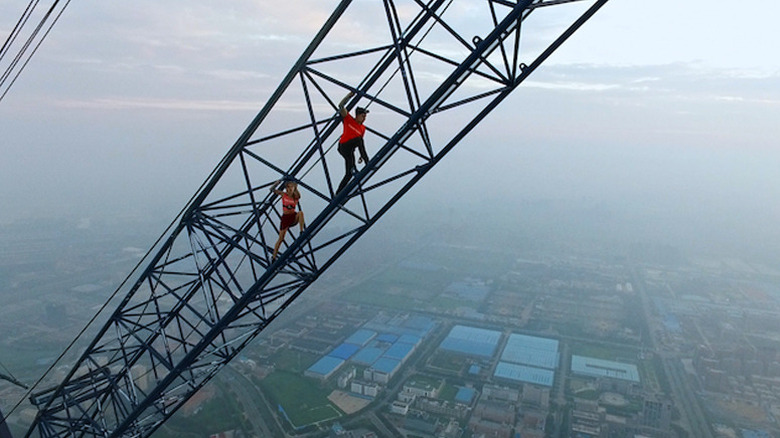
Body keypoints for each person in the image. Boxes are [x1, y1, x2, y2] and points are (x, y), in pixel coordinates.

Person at [336, 91, 370, 194]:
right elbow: (340, 106)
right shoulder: (349, 119)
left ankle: (338, 193)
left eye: (365, 117)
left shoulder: (363, 128)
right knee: (358, 140)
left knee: (349, 173)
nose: (364, 118)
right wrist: (348, 96)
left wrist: (360, 155)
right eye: (363, 116)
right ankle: (367, 162)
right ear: (357, 115)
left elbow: (361, 144)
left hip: (350, 150)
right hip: (343, 146)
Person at [270, 180, 305, 261]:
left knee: (300, 213)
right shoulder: (283, 195)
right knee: (281, 239)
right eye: (287, 187)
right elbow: (272, 190)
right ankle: (274, 257)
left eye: (290, 187)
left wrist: (295, 186)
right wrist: (277, 183)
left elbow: (298, 194)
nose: (289, 189)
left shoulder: (296, 197)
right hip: (285, 218)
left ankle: (301, 231)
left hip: (293, 217)